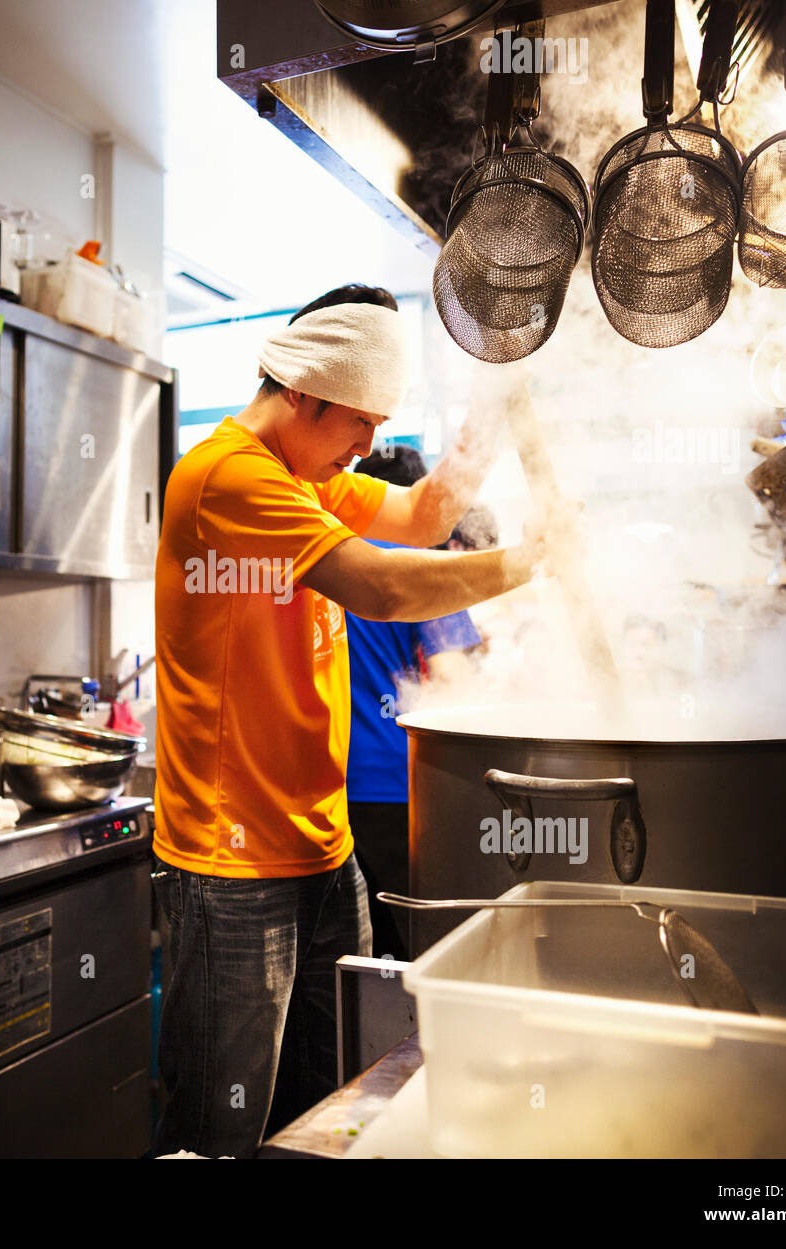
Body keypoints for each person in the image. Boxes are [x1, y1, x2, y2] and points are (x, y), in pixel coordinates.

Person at [151, 283, 570, 1158]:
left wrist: (491, 412)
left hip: (322, 846)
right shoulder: (228, 476)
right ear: (303, 391)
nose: (368, 447)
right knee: (218, 1132)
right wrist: (529, 562)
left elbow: (423, 517)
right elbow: (382, 588)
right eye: (360, 421)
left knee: (330, 1113)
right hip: (234, 863)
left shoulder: (309, 478)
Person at [344, 446, 488, 961]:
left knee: (361, 951)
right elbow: (453, 679)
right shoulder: (419, 563)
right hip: (398, 784)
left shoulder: (334, 557)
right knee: (427, 948)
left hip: (333, 786)